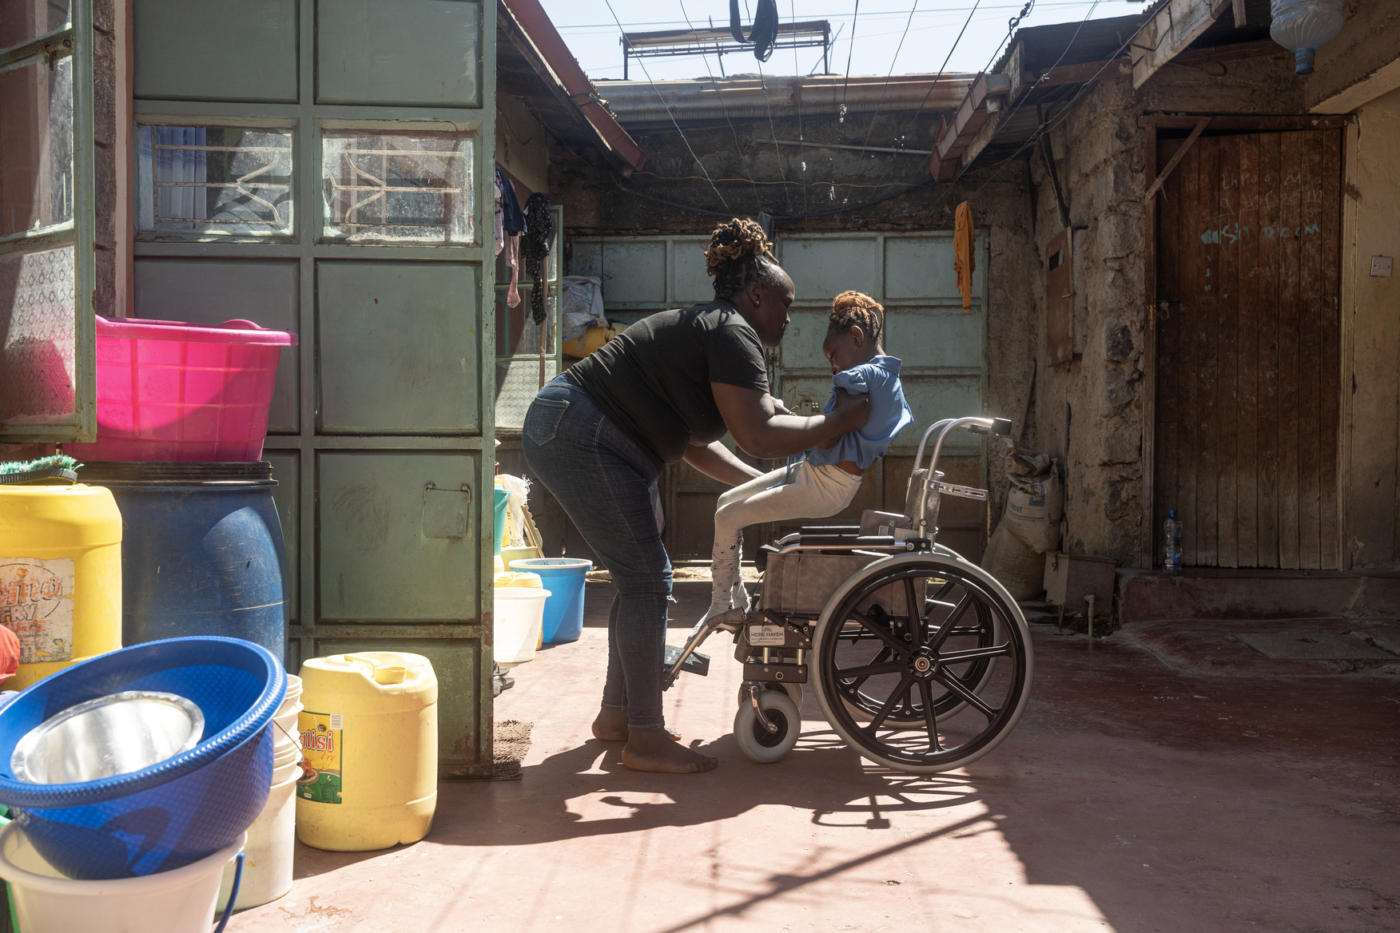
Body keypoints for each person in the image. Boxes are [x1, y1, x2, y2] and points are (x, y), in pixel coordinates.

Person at [522, 218, 870, 774]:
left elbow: (695, 443)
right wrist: (837, 421)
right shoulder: (732, 331)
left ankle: (619, 718)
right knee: (649, 580)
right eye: (785, 303)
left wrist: (759, 483)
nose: (788, 316)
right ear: (756, 294)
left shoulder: (714, 329)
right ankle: (645, 738)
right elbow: (758, 435)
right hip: (581, 430)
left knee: (636, 578)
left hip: (574, 427)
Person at [701, 291, 914, 626]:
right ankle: (735, 600)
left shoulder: (862, 376)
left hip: (826, 485)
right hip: (816, 474)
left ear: (856, 337)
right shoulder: (888, 378)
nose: (832, 365)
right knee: (727, 503)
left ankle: (718, 607)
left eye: (833, 354)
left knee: (728, 517)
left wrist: (785, 425)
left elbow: (830, 434)